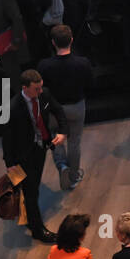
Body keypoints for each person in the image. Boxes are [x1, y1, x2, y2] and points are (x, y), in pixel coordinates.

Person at [1, 70, 68, 244]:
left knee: (32, 188)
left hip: (40, 148)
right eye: (36, 89)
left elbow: (58, 110)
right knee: (31, 192)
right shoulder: (13, 107)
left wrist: (63, 131)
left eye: (40, 87)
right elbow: (7, 138)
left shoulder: (44, 94)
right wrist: (10, 163)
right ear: (25, 88)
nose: (40, 91)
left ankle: (29, 217)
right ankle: (38, 230)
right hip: (22, 156)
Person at [36, 24, 93, 191]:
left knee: (56, 138)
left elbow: (40, 90)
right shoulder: (83, 63)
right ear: (72, 40)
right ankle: (73, 177)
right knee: (75, 142)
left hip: (54, 110)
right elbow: (91, 84)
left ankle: (61, 166)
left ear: (53, 43)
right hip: (76, 107)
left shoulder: (44, 65)